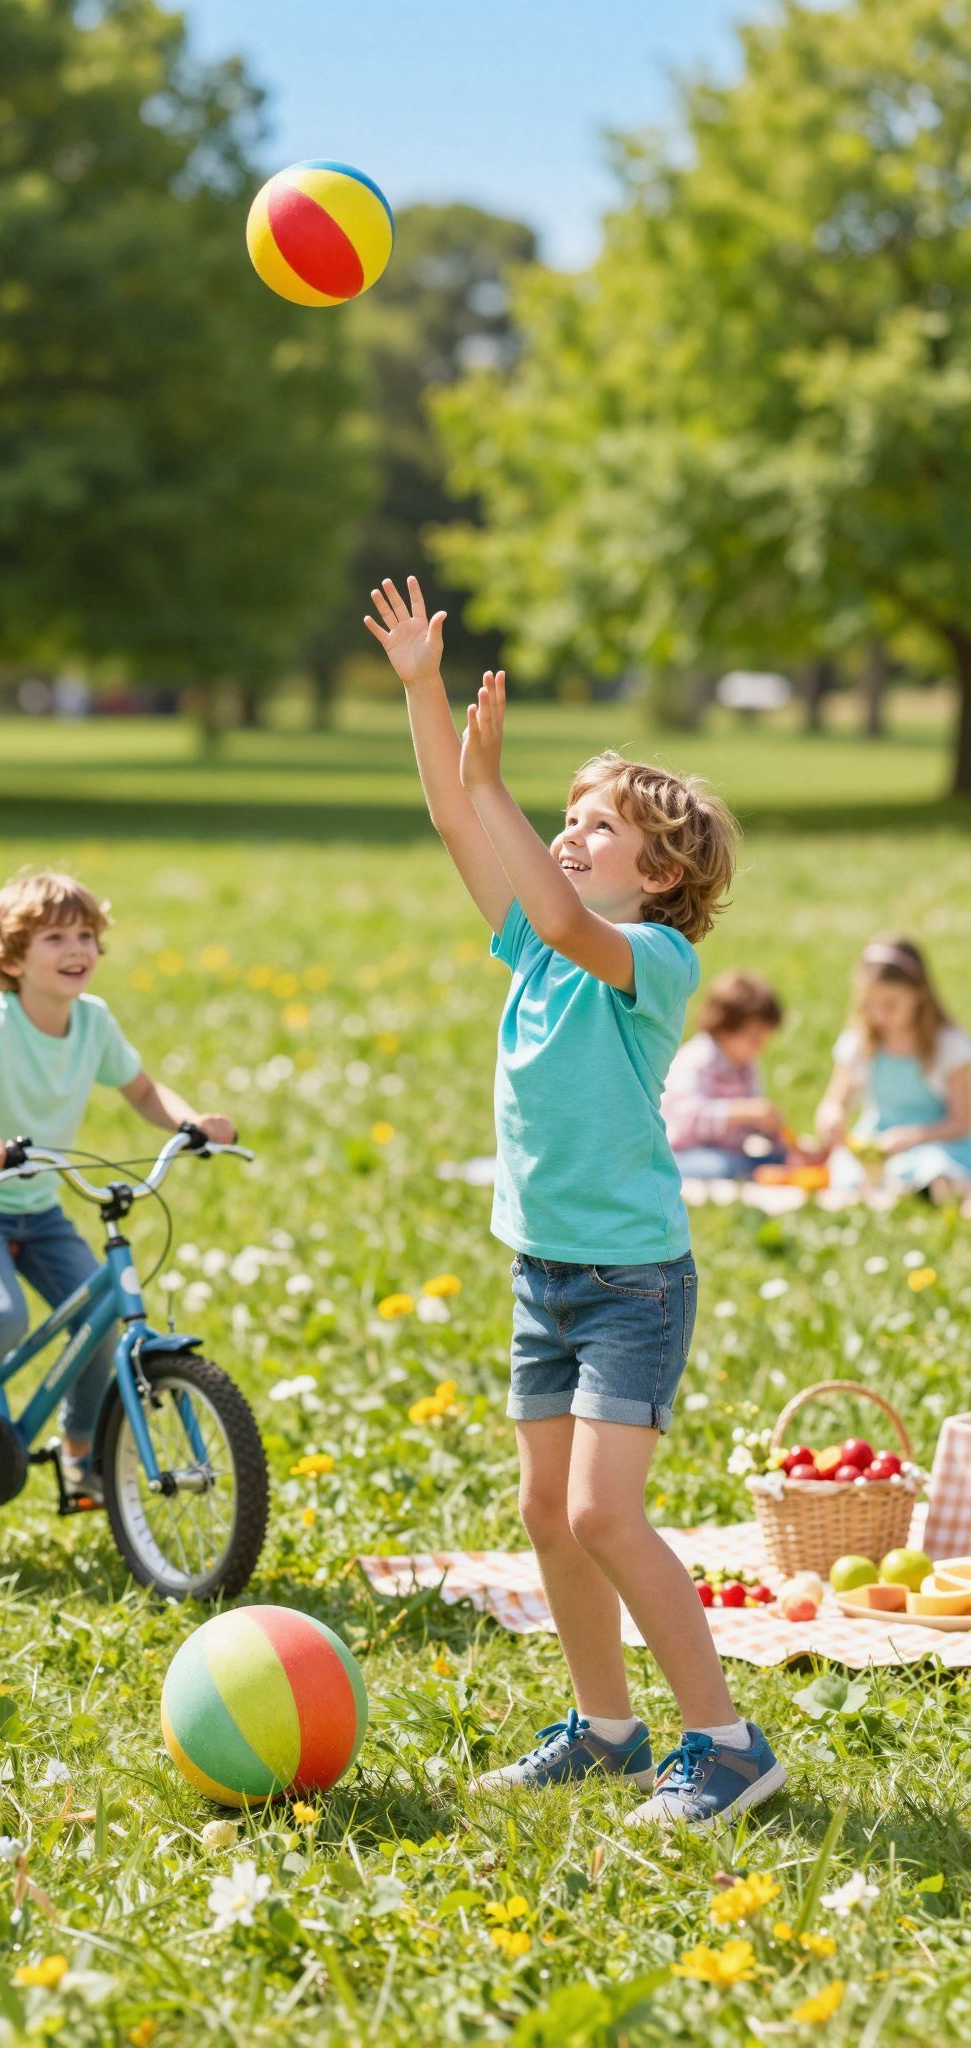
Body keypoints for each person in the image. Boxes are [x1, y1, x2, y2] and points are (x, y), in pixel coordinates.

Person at [364, 576, 785, 1830]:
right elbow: (454, 823)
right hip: (542, 1270)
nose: (568, 835)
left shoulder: (653, 960)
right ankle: (607, 1726)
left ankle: (726, 1741)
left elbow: (543, 890)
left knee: (606, 1509)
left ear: (660, 875)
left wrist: (502, 787)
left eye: (595, 825)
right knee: (547, 1509)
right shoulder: (540, 951)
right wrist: (426, 693)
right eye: (570, 816)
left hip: (630, 1282)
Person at [0, 870, 236, 1527]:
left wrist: (193, 1123)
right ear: (13, 958)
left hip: (37, 1203)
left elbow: (142, 1091)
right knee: (1, 1315)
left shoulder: (94, 1023)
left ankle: (79, 1454)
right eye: (54, 937)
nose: (77, 947)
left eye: (86, 934)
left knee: (102, 1317)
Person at [816, 936, 971, 1202]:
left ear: (919, 995)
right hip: (878, 1141)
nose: (880, 1015)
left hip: (936, 1141)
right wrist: (831, 1118)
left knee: (936, 1168)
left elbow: (962, 1121)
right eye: (870, 1004)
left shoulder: (949, 1046)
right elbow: (834, 1101)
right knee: (847, 1171)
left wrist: (913, 1137)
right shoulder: (860, 1042)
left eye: (891, 1005)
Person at [663, 972, 788, 1179]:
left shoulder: (747, 1067)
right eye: (753, 1038)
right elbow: (688, 1120)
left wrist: (770, 1130)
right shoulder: (697, 1059)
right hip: (683, 1151)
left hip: (729, 1150)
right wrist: (743, 1113)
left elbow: (750, 1127)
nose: (759, 1047)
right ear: (724, 1026)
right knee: (724, 1168)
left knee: (778, 1158)